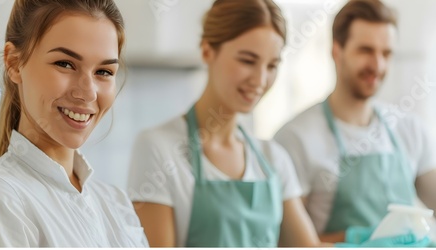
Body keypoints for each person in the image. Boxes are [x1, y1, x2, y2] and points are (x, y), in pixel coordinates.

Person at [126, 0, 428, 247]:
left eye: (271, 66)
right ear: (207, 51)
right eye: (247, 60)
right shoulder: (159, 148)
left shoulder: (272, 159)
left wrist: (374, 240)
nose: (260, 80)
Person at [0, 0, 148, 247]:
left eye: (103, 71)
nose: (88, 93)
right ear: (13, 63)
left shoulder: (116, 203)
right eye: (65, 64)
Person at [274, 0, 436, 244]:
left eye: (386, 53)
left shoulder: (409, 129)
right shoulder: (295, 139)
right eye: (366, 50)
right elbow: (288, 243)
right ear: (336, 50)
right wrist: (357, 241)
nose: (378, 65)